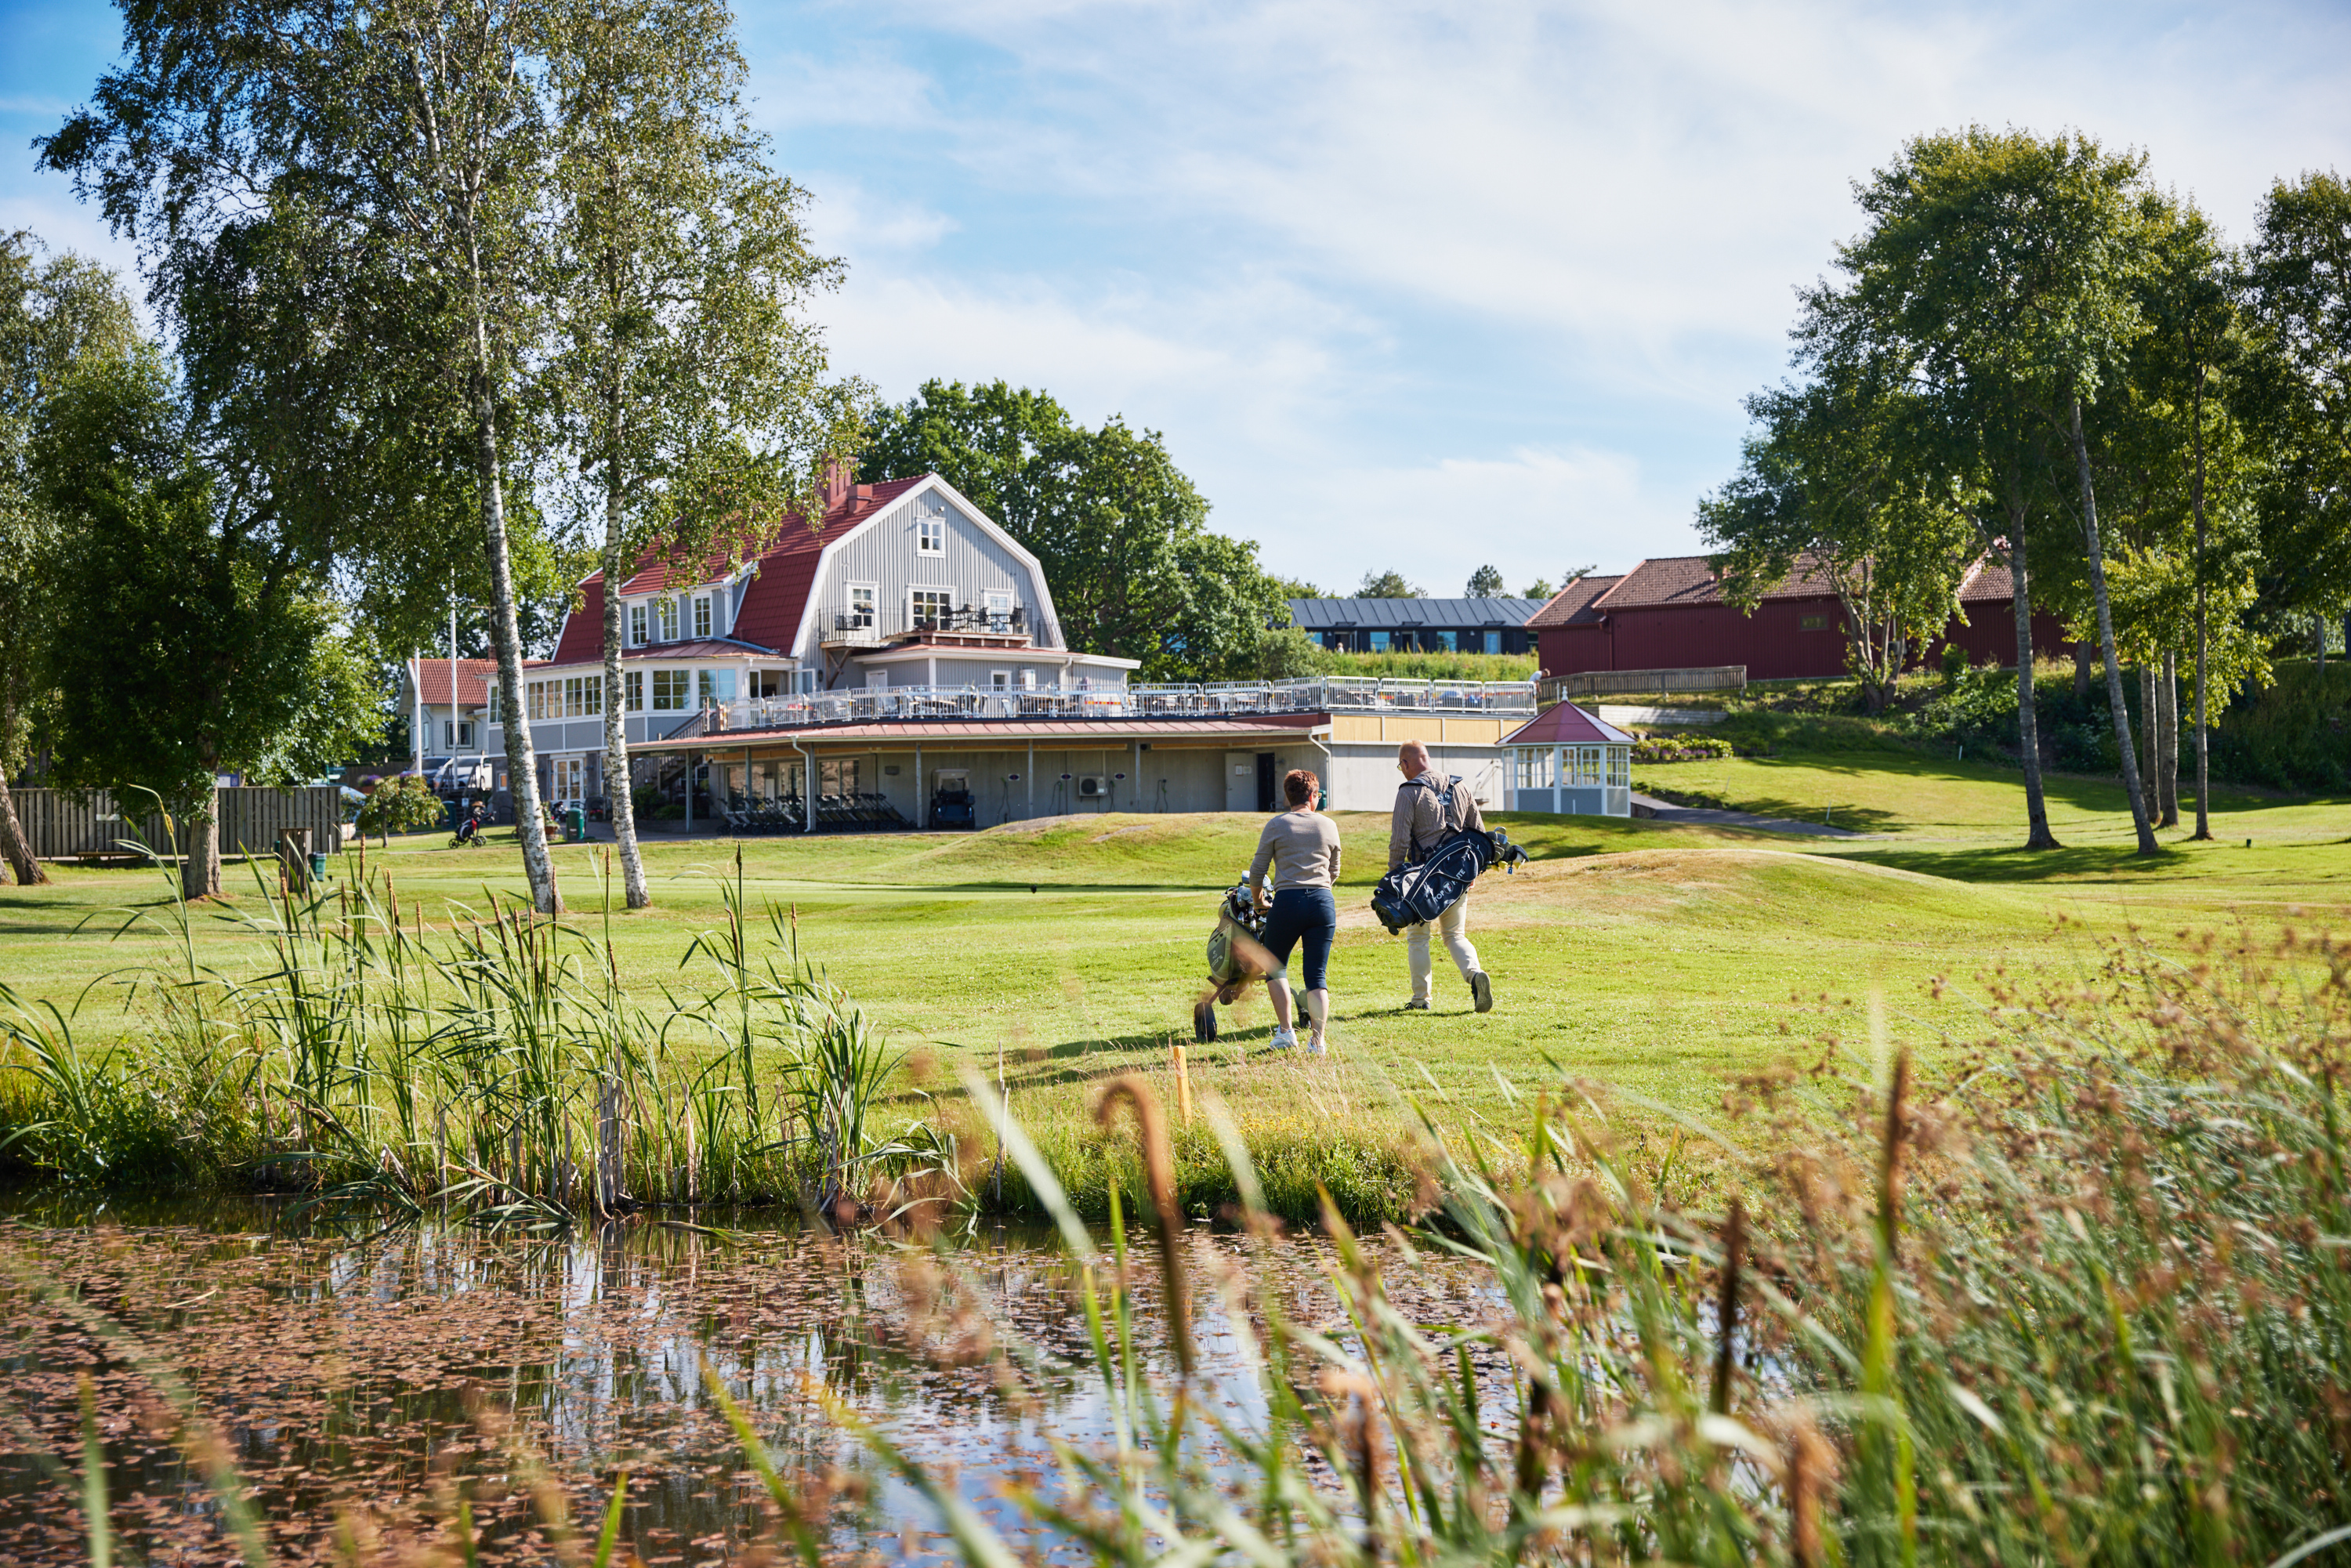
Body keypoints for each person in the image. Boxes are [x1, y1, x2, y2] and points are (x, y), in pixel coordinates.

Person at [1389, 741, 1494, 1013]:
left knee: (1418, 938)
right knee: (1455, 935)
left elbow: (1399, 841)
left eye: (1401, 766)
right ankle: (1475, 975)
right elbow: (1479, 833)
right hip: (1458, 875)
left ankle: (1420, 1000)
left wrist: (1394, 879)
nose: (1402, 771)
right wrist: (1473, 872)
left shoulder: (1409, 791)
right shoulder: (1461, 786)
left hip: (1422, 879)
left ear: (1407, 763)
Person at [1244, 767, 1342, 1054]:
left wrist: (1259, 899)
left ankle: (1286, 1032)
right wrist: (1321, 889)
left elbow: (1257, 870)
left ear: (1288, 797)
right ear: (1313, 795)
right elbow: (1334, 870)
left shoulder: (1277, 825)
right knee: (1316, 976)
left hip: (1287, 901)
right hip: (1323, 903)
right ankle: (1318, 1041)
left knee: (1275, 967)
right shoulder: (1329, 826)